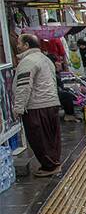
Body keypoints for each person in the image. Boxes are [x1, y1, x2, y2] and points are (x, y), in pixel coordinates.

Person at [12, 34, 62, 176]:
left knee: (38, 137)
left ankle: (49, 166)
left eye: (19, 43)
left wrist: (18, 107)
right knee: (51, 137)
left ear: (27, 45)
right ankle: (53, 163)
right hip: (50, 103)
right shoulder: (45, 59)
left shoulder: (28, 61)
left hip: (37, 106)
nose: (17, 46)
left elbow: (24, 86)